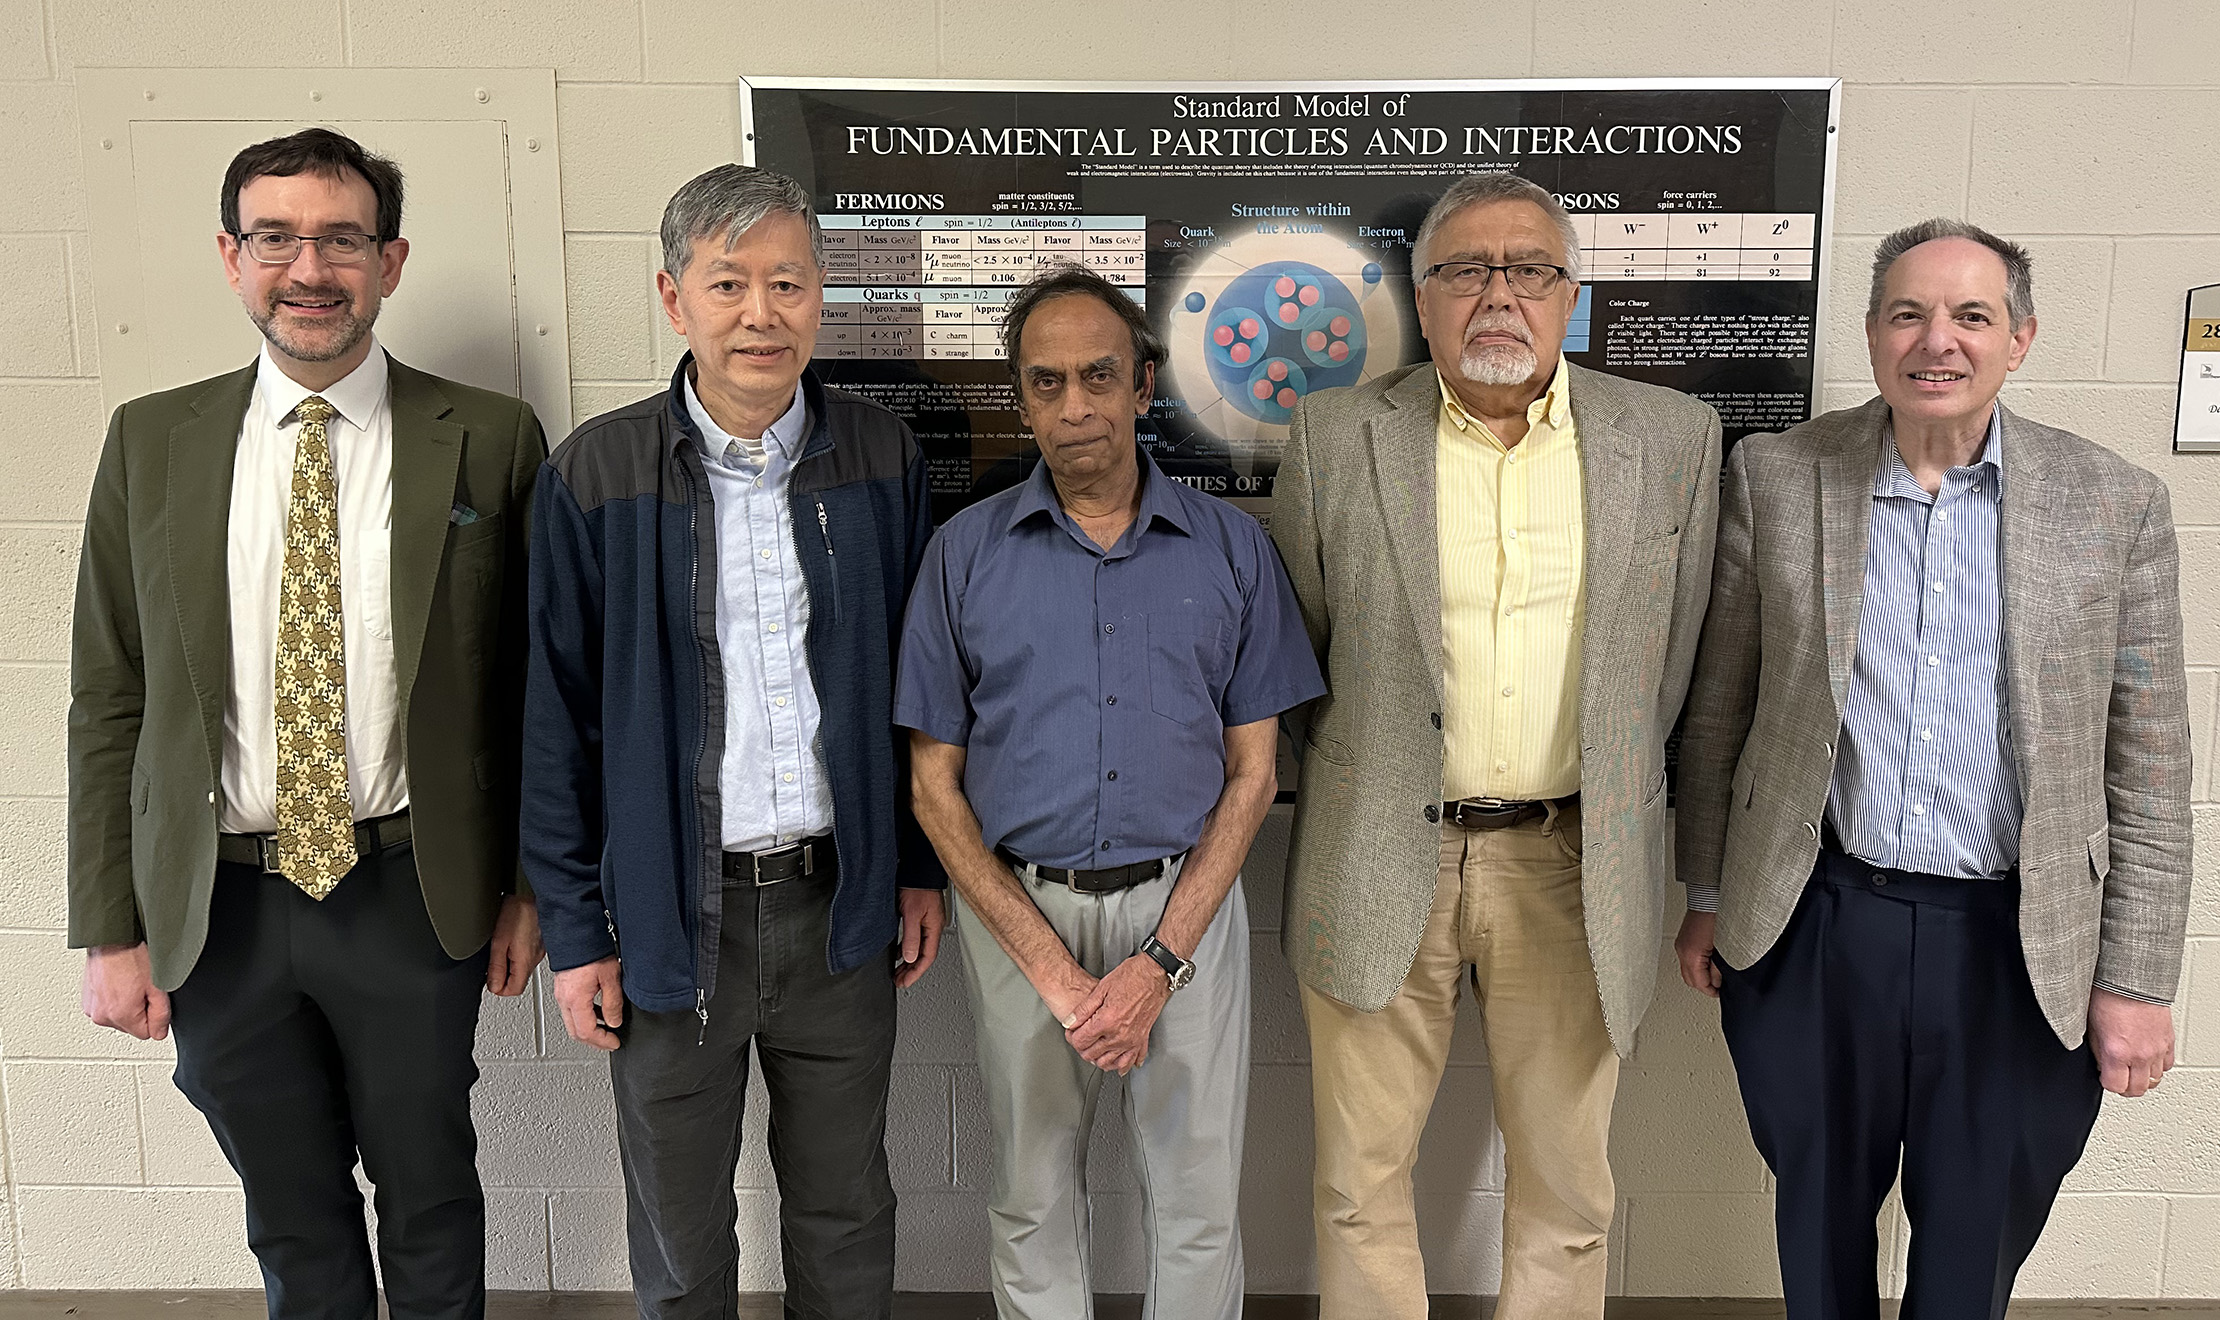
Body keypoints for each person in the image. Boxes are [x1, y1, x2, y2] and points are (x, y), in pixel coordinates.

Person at [1673, 218, 2192, 1320]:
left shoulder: (2116, 505)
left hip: (2019, 944)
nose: (1936, 341)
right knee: (1815, 1223)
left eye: (1970, 315)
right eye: (1908, 313)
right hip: (1817, 925)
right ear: (1872, 332)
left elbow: (2149, 766)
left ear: (2022, 339)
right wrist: (1710, 894)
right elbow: (1720, 711)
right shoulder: (1777, 476)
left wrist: (2138, 979)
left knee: (1972, 1247)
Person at [68, 127, 545, 1320]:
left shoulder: (488, 435)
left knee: (431, 1191)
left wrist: (535, 887)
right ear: (232, 258)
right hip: (216, 905)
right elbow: (109, 696)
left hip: (410, 889)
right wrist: (109, 927)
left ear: (389, 260)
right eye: (276, 237)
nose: (310, 268)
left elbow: (537, 689)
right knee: (289, 1209)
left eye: (341, 238)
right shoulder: (149, 439)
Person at [1269, 172, 1721, 1320]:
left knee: (1570, 1187)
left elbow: (1679, 671)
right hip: (1377, 854)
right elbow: (1297, 655)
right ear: (1422, 302)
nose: (1498, 296)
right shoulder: (1333, 438)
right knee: (1356, 1181)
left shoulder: (1672, 440)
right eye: (1466, 271)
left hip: (1576, 862)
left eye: (1529, 270)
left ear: (1571, 296)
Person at [523, 163, 946, 1320]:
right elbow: (555, 721)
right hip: (666, 916)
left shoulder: (882, 459)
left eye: (787, 284)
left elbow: (921, 690)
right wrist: (575, 929)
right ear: (674, 300)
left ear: (820, 298)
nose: (761, 313)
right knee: (678, 1213)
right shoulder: (595, 475)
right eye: (728, 285)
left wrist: (913, 867)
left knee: (846, 1200)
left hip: (839, 907)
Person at [898, 262, 1325, 1320]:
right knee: (1031, 1196)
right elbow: (933, 790)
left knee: (1196, 1201)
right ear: (1022, 397)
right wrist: (1048, 966)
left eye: (1098, 376)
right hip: (1017, 914)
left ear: (1143, 386)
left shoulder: (1233, 548)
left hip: (1189, 910)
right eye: (1047, 383)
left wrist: (1158, 965)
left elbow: (1254, 774)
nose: (1075, 405)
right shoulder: (961, 557)